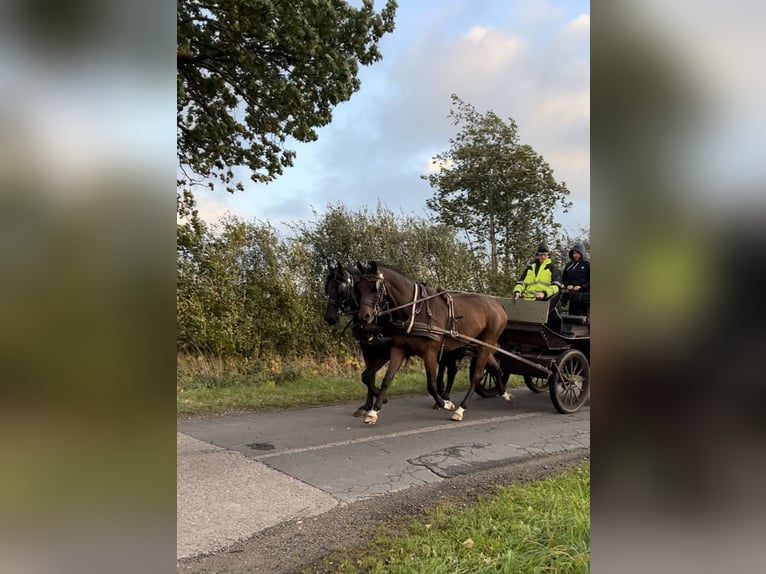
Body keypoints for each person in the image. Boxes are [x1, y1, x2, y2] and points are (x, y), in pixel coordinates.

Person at [562, 242, 590, 316]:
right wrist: (567, 285)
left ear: (582, 253)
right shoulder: (569, 265)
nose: (575, 255)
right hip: (573, 296)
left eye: (577, 253)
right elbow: (564, 278)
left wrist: (581, 286)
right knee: (572, 317)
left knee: (585, 319)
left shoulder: (587, 265)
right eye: (574, 253)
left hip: (585, 297)